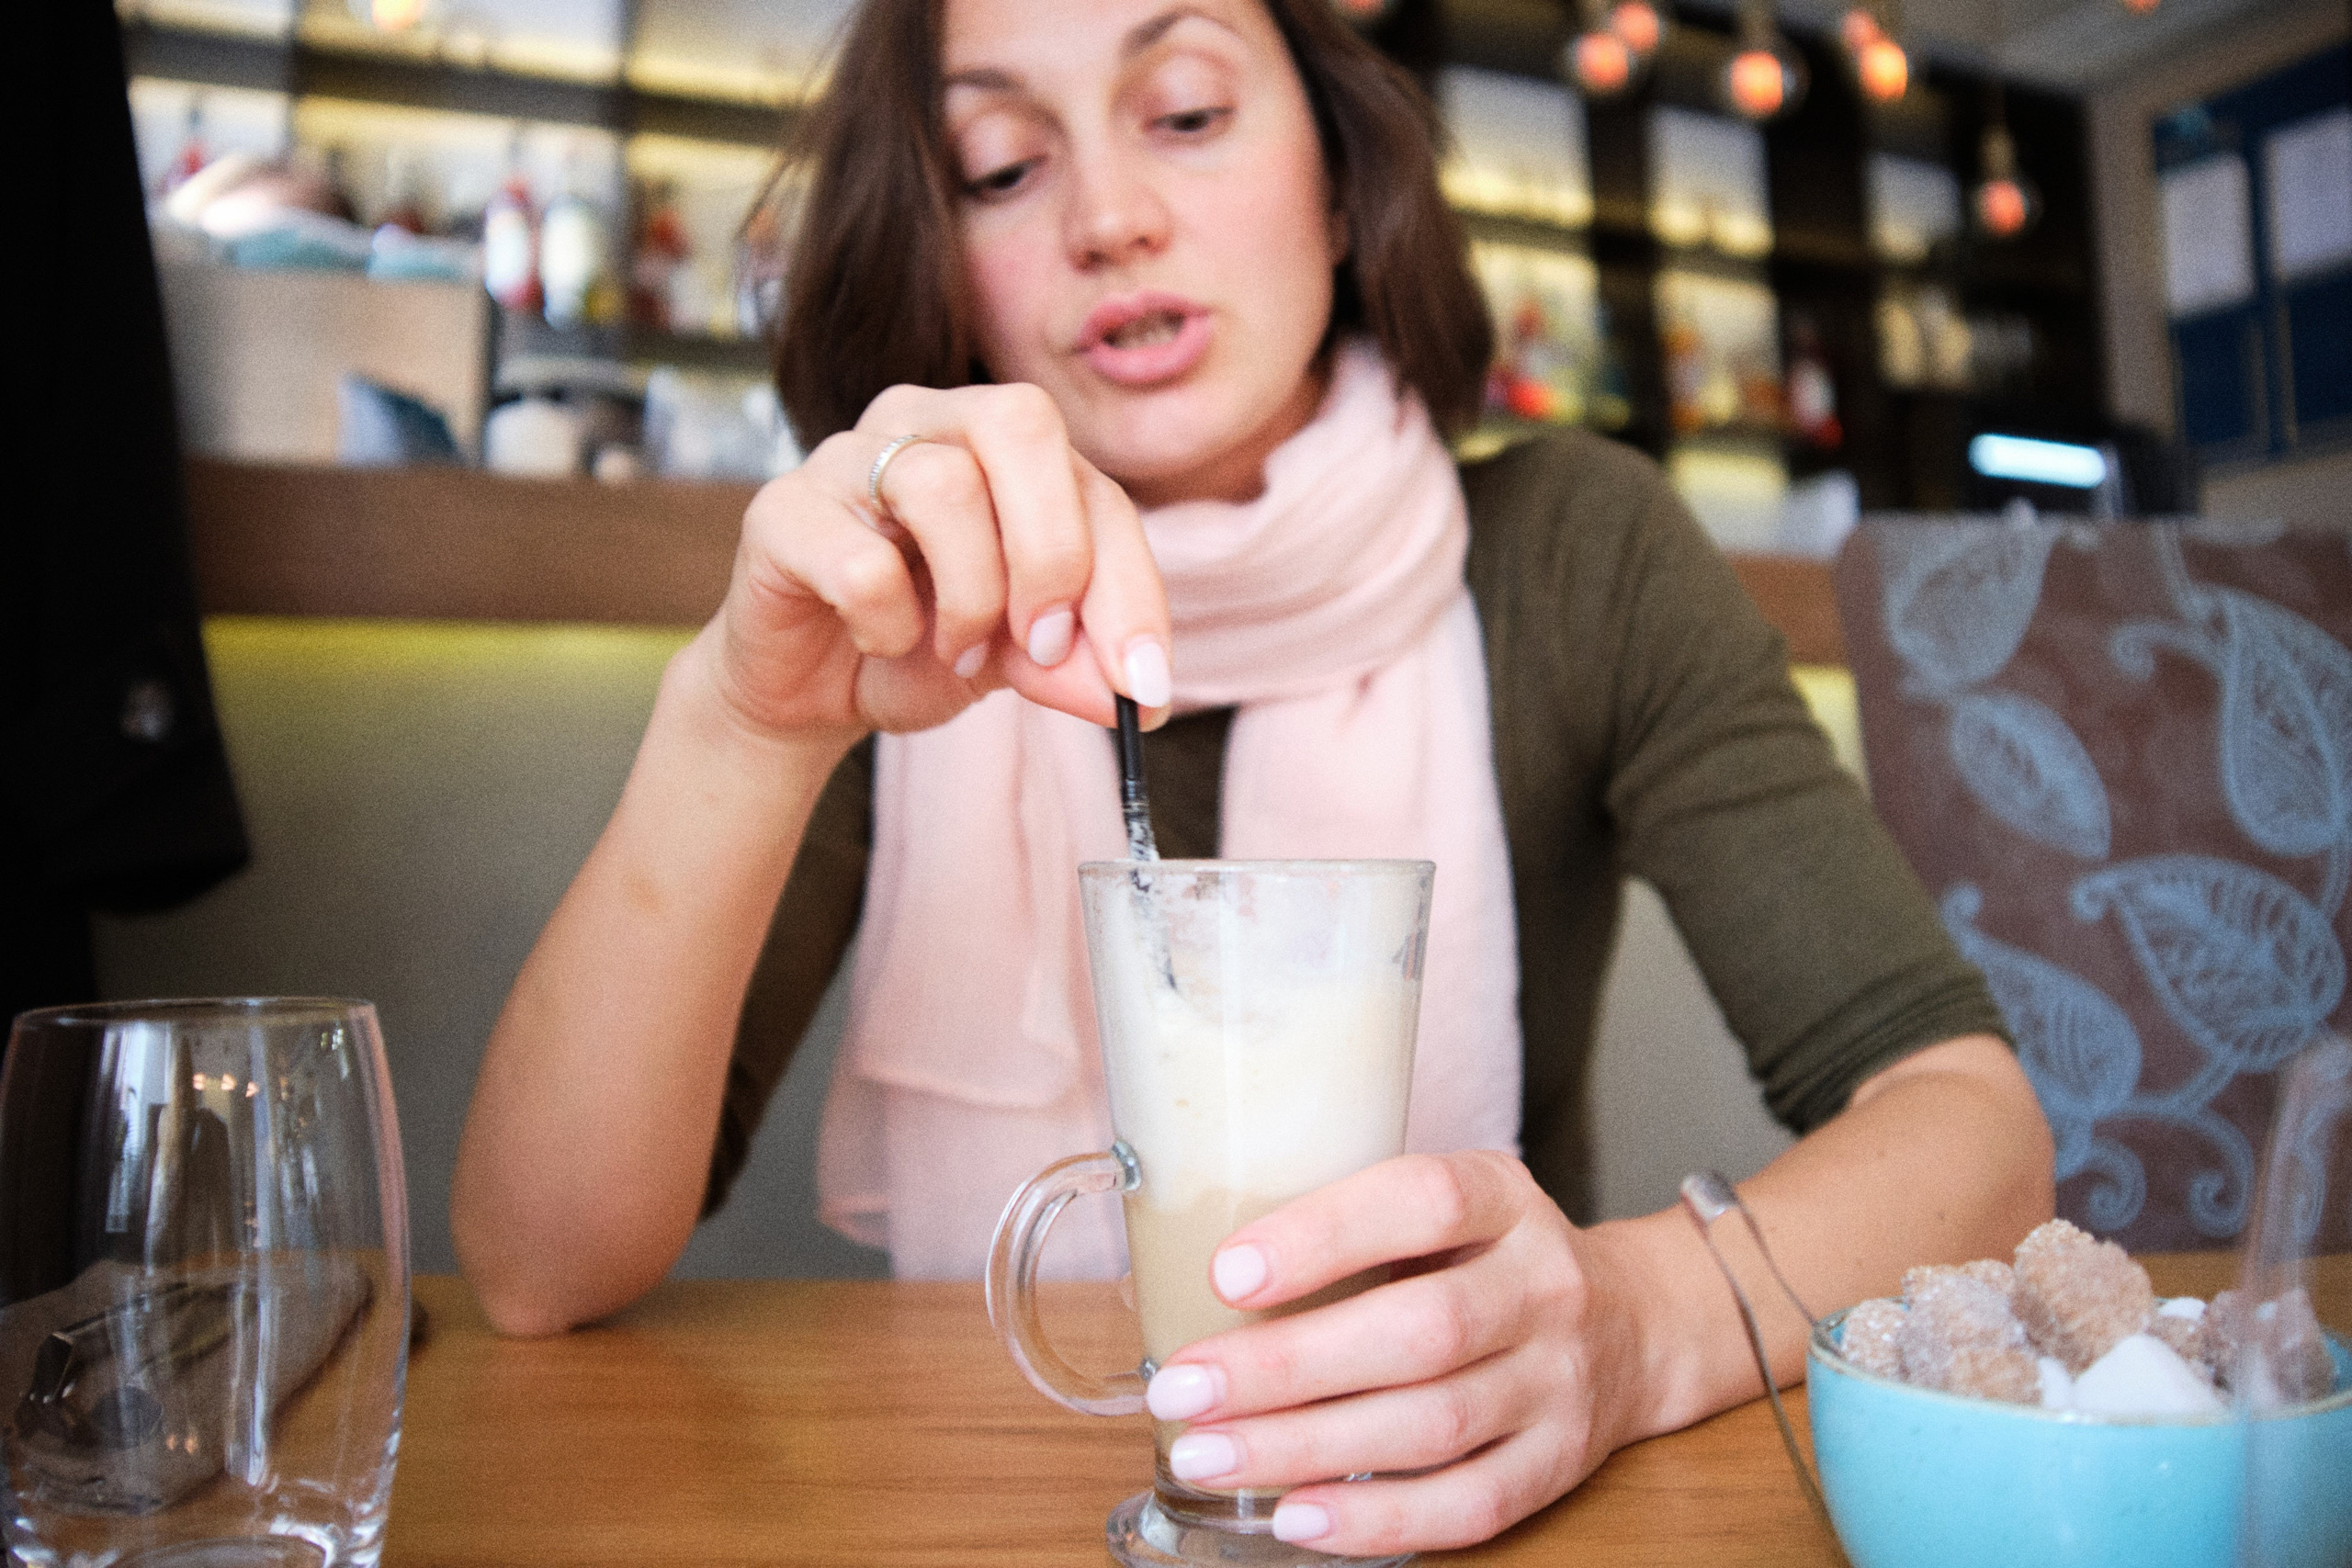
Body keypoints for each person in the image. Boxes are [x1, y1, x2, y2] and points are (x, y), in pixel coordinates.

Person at [452, 0, 2055, 1554]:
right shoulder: (907, 628)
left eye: (1190, 114)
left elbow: (1972, 1129)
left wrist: (1635, 1327)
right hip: (984, 1504)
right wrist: (750, 720)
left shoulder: (1576, 551)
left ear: (1345, 183)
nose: (1110, 218)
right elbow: (539, 1265)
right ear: (943, 266)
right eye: (1004, 166)